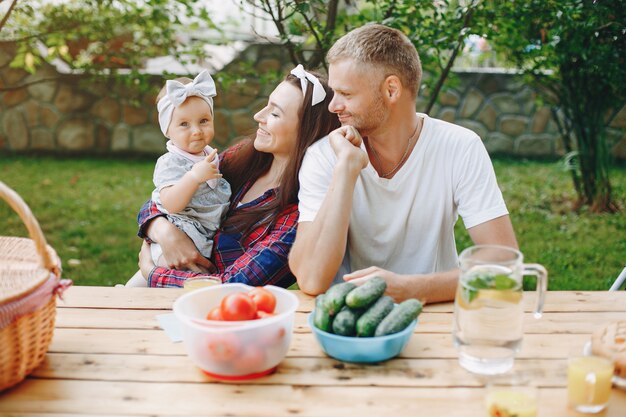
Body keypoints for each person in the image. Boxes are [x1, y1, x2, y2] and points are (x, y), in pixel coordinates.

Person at [288, 24, 518, 303]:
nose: (333, 106)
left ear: (392, 90)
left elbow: (503, 261)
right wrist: (346, 170)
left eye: (346, 94)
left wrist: (412, 289)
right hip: (348, 322)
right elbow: (311, 280)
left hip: (437, 314)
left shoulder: (460, 147)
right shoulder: (325, 156)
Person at [134, 65, 340, 287]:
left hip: (213, 311)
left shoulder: (298, 217)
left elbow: (232, 286)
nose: (258, 115)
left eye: (274, 113)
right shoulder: (244, 158)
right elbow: (168, 193)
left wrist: (151, 272)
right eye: (266, 105)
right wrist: (163, 231)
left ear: (307, 131)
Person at [126, 70, 230, 287]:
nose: (196, 131)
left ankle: (130, 295)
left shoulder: (212, 156)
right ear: (167, 129)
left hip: (198, 242)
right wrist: (193, 177)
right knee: (172, 287)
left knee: (154, 294)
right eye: (184, 124)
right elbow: (171, 203)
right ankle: (128, 297)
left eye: (203, 121)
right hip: (173, 245)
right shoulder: (170, 163)